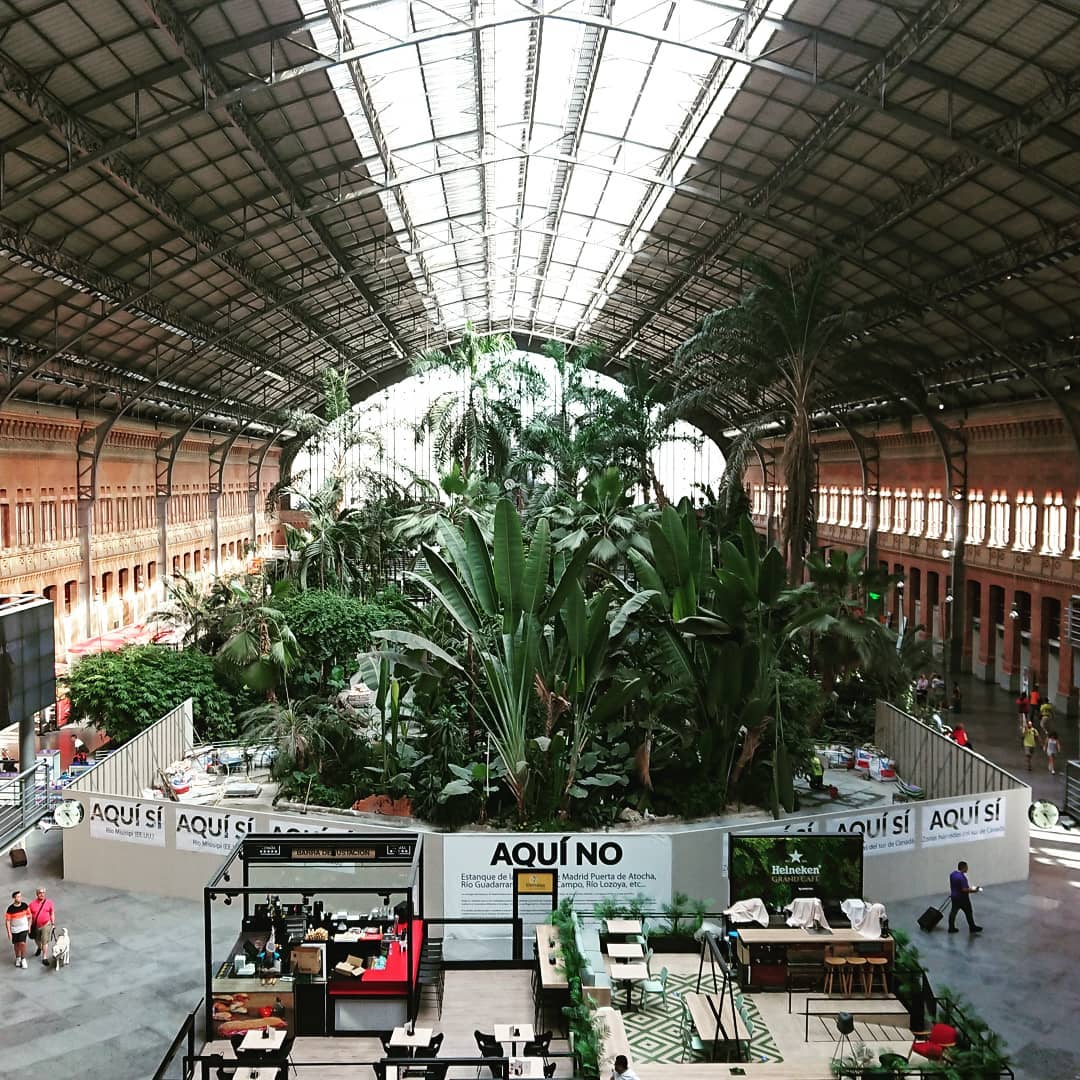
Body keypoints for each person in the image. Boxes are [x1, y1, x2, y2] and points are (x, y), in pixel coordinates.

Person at [948, 861, 982, 934]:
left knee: (953, 912)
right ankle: (972, 927)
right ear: (963, 868)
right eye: (966, 867)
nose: (967, 868)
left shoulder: (953, 874)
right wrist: (974, 890)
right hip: (962, 898)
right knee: (968, 912)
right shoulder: (962, 877)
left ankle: (951, 928)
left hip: (954, 897)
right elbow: (964, 889)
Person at [28, 887, 55, 964]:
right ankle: (39, 947)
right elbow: (29, 917)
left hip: (46, 924)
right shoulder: (31, 904)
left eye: (43, 892)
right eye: (40, 893)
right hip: (36, 926)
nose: (42, 894)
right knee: (37, 940)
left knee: (44, 941)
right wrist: (29, 926)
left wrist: (53, 923)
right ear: (37, 894)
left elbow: (52, 913)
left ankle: (44, 957)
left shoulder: (49, 903)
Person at [6, 890, 32, 968]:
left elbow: (30, 916)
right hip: (14, 929)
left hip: (23, 928)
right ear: (14, 898)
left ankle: (23, 959)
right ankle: (18, 958)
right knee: (16, 944)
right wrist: (9, 932)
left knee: (22, 943)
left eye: (20, 896)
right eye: (18, 897)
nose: (19, 898)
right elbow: (7, 921)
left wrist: (29, 926)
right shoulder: (10, 909)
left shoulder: (25, 906)